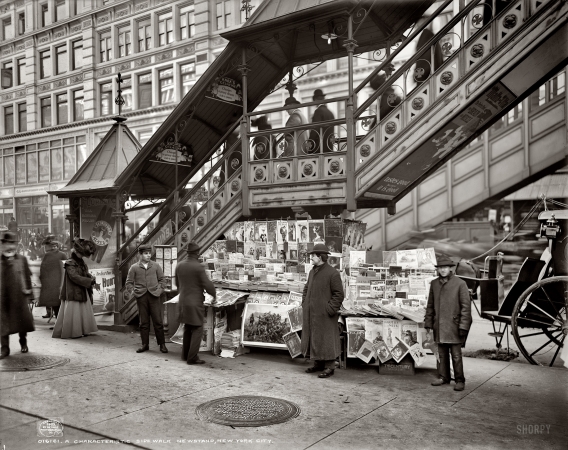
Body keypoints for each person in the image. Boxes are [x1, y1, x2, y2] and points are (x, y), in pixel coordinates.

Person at [424, 255, 472, 391]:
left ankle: (459, 380)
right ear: (438, 269)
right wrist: (428, 322)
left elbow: (466, 307)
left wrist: (463, 326)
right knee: (442, 354)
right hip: (439, 325)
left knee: (456, 355)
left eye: (445, 267)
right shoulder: (434, 284)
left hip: (454, 326)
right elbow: (430, 305)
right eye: (440, 268)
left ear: (450, 268)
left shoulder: (460, 284)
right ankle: (444, 377)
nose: (443, 270)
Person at [301, 243, 345, 378]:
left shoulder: (333, 273)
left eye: (313, 255)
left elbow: (339, 294)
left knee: (326, 340)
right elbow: (306, 288)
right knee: (315, 338)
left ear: (320, 256)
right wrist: (305, 303)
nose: (311, 257)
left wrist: (329, 309)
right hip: (312, 313)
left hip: (325, 315)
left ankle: (330, 367)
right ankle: (318, 364)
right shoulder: (312, 271)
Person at [176, 242, 216, 365]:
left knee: (188, 327)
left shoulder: (179, 265)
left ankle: (185, 355)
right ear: (197, 253)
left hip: (182, 301)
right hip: (195, 303)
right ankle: (192, 358)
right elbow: (207, 284)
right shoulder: (198, 267)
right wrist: (213, 295)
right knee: (198, 328)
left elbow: (177, 284)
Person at [52, 238, 99, 339]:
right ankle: (75, 332)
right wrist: (89, 281)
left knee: (81, 311)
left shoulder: (80, 262)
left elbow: (83, 273)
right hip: (73, 292)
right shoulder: (70, 263)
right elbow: (74, 277)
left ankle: (83, 330)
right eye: (81, 254)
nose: (82, 256)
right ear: (76, 252)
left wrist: (90, 276)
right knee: (75, 312)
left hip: (80, 290)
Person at [125, 244, 168, 353]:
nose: (148, 255)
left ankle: (162, 344)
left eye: (149, 253)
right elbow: (129, 283)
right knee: (143, 322)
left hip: (154, 296)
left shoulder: (156, 266)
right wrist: (133, 292)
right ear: (140, 254)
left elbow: (163, 280)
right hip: (141, 297)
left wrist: (158, 291)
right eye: (145, 253)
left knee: (158, 321)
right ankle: (145, 344)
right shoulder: (134, 267)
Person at [0, 231, 35, 359]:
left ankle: (23, 342)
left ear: (15, 245)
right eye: (6, 243)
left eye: (12, 243)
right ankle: (4, 349)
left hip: (18, 296)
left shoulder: (22, 259)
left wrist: (31, 295)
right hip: (3, 297)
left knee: (21, 322)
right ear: (2, 245)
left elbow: (27, 277)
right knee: (2, 323)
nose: (9, 246)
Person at [38, 235, 67, 320]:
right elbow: (43, 268)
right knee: (55, 303)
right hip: (52, 282)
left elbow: (66, 268)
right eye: (53, 246)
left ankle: (59, 322)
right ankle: (57, 321)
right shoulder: (48, 255)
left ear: (58, 247)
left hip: (58, 282)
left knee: (57, 303)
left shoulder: (62, 255)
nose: (54, 247)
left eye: (55, 246)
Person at [308, 89, 335, 153]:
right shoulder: (330, 112)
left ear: (315, 100)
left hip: (319, 149)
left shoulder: (318, 111)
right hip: (329, 148)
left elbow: (315, 130)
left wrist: (309, 144)